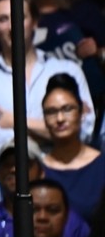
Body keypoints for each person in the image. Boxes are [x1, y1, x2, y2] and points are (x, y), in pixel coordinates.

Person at [0, 0, 94, 157]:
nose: (12, 26)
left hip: (68, 168)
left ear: (34, 22)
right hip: (16, 172)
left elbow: (84, 132)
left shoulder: (69, 70)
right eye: (3, 19)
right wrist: (59, 131)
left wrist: (16, 121)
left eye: (20, 16)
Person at [40, 74, 105, 221]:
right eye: (51, 112)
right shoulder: (38, 171)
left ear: (82, 112)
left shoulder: (101, 166)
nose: (60, 119)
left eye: (67, 109)